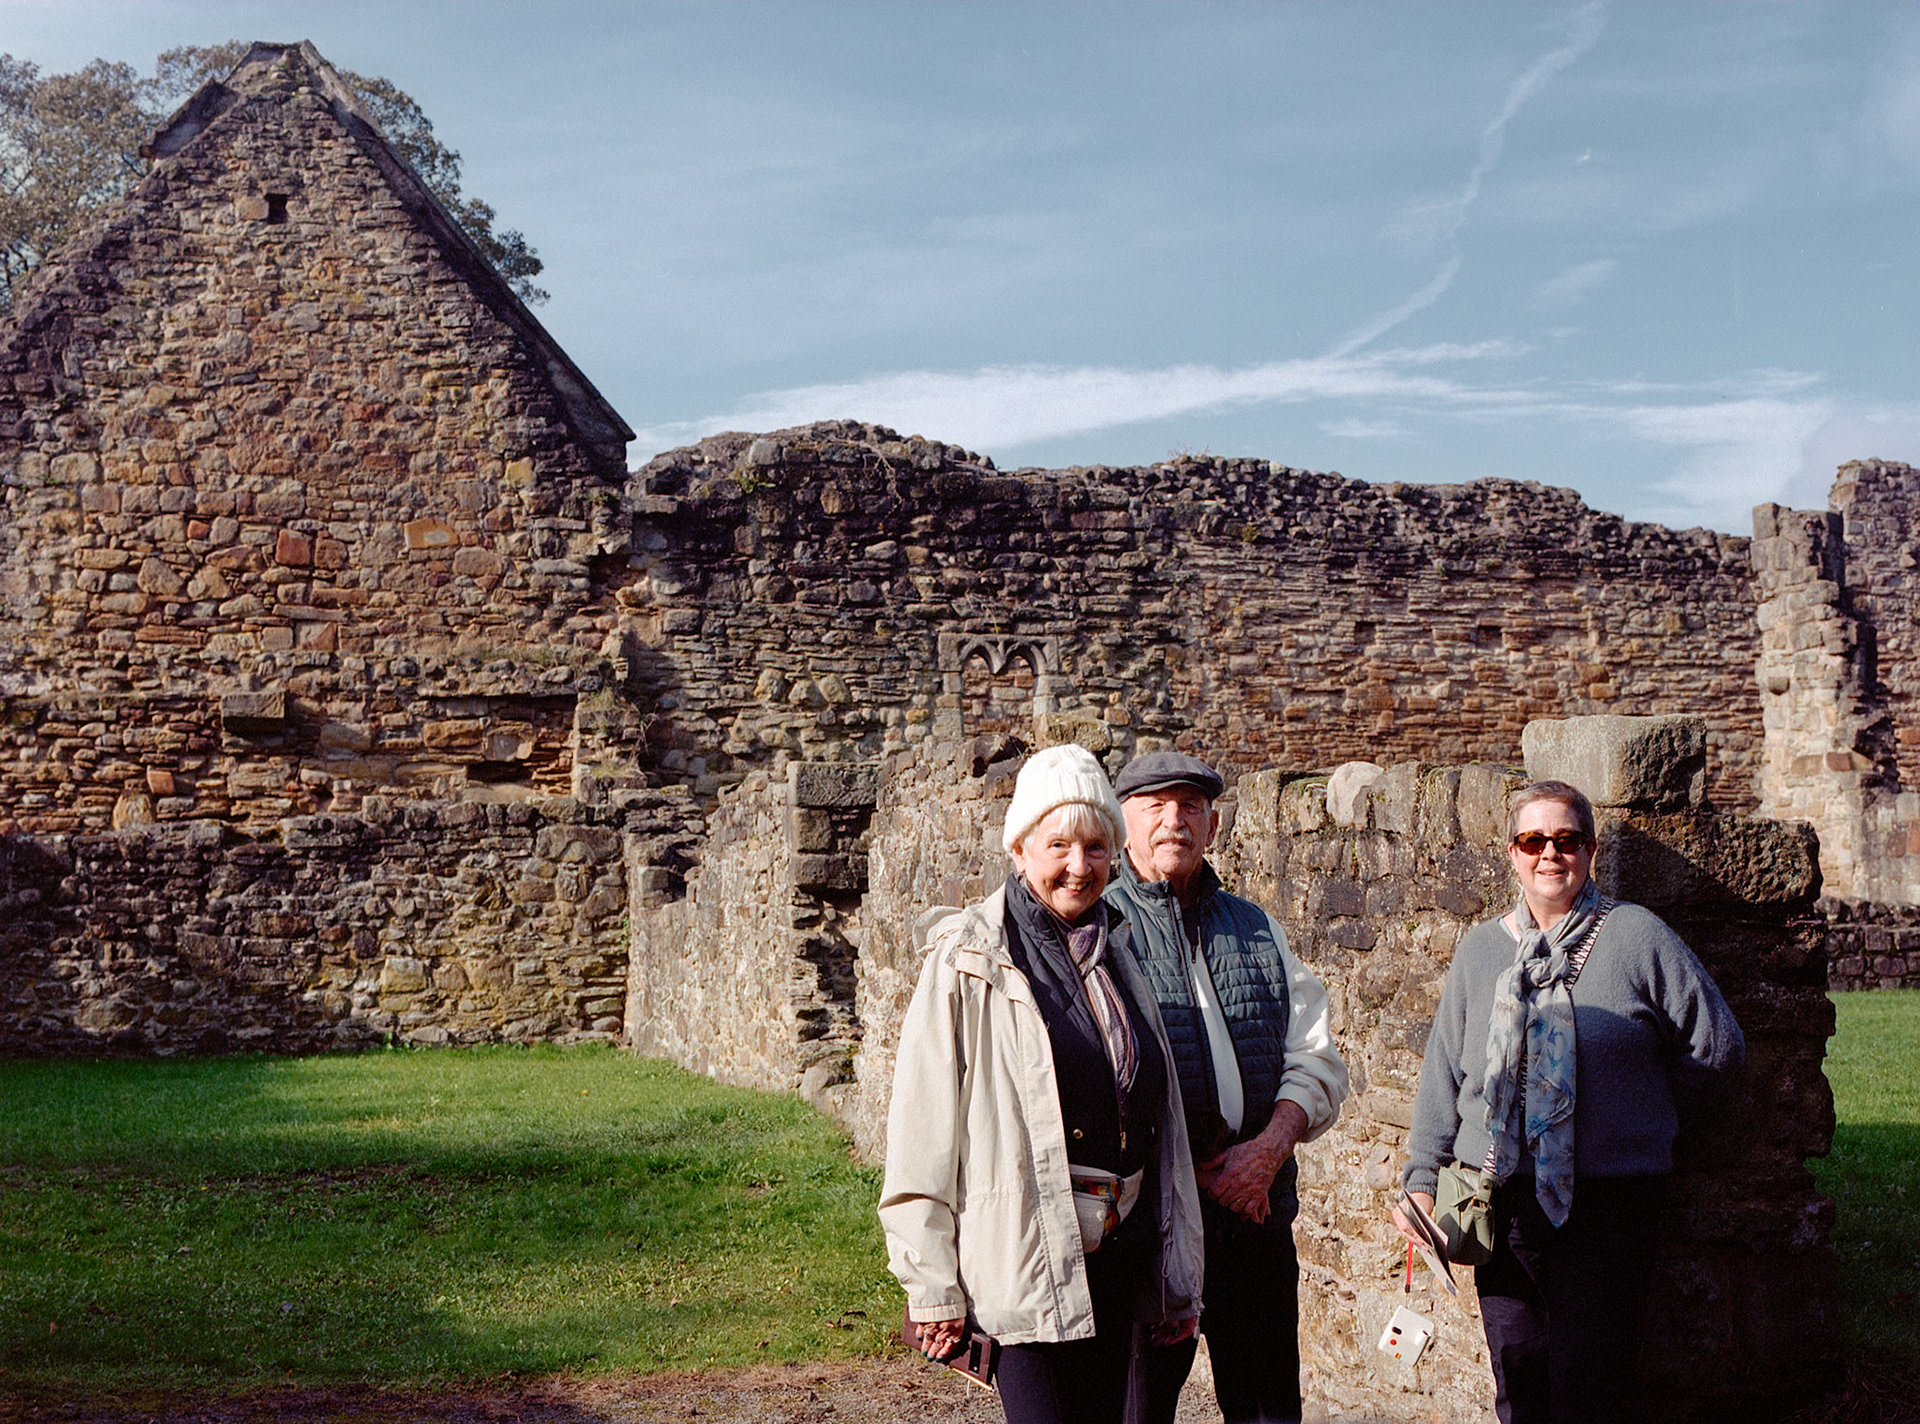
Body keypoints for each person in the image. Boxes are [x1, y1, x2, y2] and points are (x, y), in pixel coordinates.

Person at [1392, 779, 1746, 1424]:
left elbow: (1716, 1045)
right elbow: (1443, 1072)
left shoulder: (1637, 937)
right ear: (1512, 852)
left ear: (1590, 849)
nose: (1549, 854)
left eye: (1567, 840)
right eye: (1533, 841)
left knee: (1592, 1384)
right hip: (1498, 1197)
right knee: (1518, 1377)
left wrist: (1643, 1120)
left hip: (1609, 1200)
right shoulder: (1481, 950)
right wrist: (1420, 1180)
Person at [878, 743, 1205, 1424]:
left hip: (1117, 1263)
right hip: (1026, 1263)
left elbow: (1159, 1124)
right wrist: (931, 1283)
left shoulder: (1121, 952)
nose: (1079, 867)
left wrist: (1175, 1276)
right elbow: (922, 1129)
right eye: (1058, 845)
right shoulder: (969, 958)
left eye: (1095, 847)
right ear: (1019, 848)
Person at [1107, 751, 1350, 1424]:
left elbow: (1317, 1056)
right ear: (1122, 823)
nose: (1174, 821)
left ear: (1213, 825)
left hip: (1253, 1214)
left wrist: (1268, 1151)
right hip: (1151, 1231)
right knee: (1139, 1409)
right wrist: (1187, 1176)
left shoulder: (1256, 928)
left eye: (1190, 806)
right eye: (1155, 806)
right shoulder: (1099, 930)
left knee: (1268, 1410)